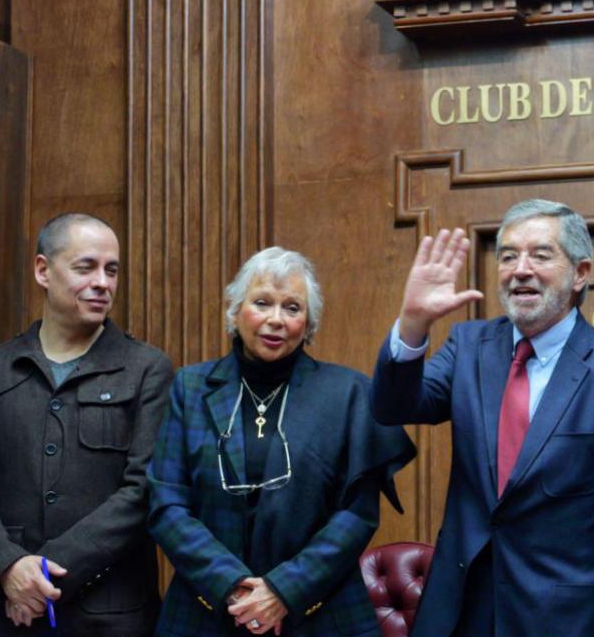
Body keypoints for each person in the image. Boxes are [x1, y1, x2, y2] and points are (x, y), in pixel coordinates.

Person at [372, 199, 594, 637]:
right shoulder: (470, 346)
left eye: (541, 255)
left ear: (580, 273)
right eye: (508, 256)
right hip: (459, 612)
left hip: (563, 619)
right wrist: (413, 324)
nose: (520, 269)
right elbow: (394, 406)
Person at [148, 247, 415, 636]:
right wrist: (233, 587)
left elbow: (357, 515)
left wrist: (282, 590)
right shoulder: (190, 388)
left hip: (322, 613)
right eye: (261, 303)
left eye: (292, 308)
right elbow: (166, 504)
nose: (276, 320)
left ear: (308, 324)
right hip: (207, 612)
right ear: (235, 312)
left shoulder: (348, 393)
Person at [0, 213, 172, 636]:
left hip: (110, 615)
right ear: (43, 270)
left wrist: (42, 573)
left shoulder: (146, 369)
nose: (103, 282)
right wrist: (9, 567)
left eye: (112, 270)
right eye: (86, 267)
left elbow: (144, 490)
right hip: (6, 611)